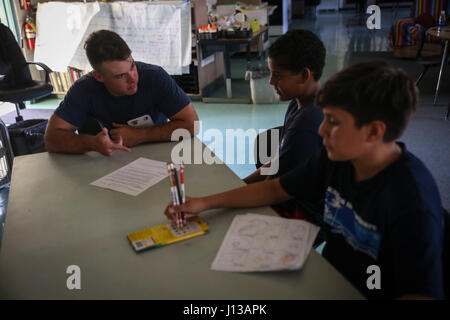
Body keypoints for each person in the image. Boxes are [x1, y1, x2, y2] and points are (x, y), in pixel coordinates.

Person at [164, 61, 445, 300]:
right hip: (330, 280)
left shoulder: (411, 201)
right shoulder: (335, 159)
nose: (321, 129)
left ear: (373, 132)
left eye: (333, 122)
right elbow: (276, 187)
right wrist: (204, 203)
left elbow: (420, 293)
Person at [44, 30, 199, 156]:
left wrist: (140, 136)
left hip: (158, 151)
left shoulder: (155, 77)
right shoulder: (84, 89)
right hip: (108, 160)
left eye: (132, 66)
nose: (133, 78)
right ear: (99, 76)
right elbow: (52, 138)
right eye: (120, 76)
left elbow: (193, 126)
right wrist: (91, 143)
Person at [244, 29, 325, 225]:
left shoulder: (307, 122)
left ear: (304, 75)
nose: (271, 81)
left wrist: (229, 194)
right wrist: (241, 183)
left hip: (304, 212)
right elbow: (277, 162)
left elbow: (273, 189)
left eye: (277, 76)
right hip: (287, 191)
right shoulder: (298, 103)